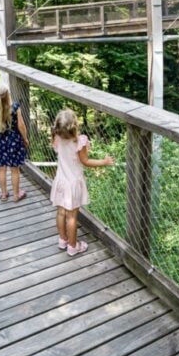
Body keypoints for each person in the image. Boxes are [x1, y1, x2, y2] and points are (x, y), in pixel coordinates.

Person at [50, 109, 115, 256]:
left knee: (61, 212)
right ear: (75, 125)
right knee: (72, 216)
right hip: (73, 183)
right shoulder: (79, 141)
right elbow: (85, 161)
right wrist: (104, 162)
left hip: (60, 181)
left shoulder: (57, 137)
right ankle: (73, 246)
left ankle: (63, 240)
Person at [0, 81, 28, 202]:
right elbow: (21, 126)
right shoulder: (15, 107)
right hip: (14, 142)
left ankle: (4, 194)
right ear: (8, 95)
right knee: (14, 169)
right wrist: (25, 139)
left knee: (1, 169)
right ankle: (16, 195)